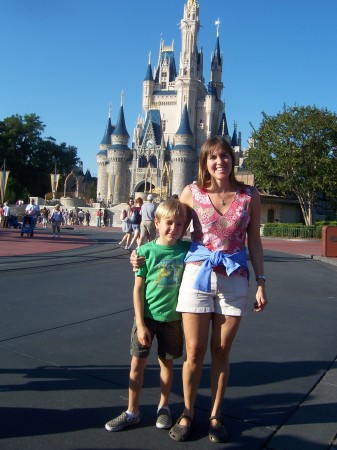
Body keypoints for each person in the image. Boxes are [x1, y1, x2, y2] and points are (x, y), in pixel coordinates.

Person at [132, 137, 268, 443]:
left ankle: (216, 415)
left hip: (234, 278)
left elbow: (254, 241)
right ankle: (188, 411)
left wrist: (261, 280)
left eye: (225, 156)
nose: (220, 162)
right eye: (213, 158)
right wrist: (144, 252)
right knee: (193, 351)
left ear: (233, 159)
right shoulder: (191, 193)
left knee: (221, 351)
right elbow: (172, 227)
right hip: (197, 276)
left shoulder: (249, 196)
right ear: (204, 162)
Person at [104, 198, 191, 433]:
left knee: (167, 364)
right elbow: (138, 289)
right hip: (148, 318)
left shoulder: (187, 250)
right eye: (169, 223)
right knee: (137, 365)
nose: (174, 228)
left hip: (173, 319)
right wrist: (140, 324)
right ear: (157, 223)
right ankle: (132, 411)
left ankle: (164, 408)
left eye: (180, 224)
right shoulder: (144, 251)